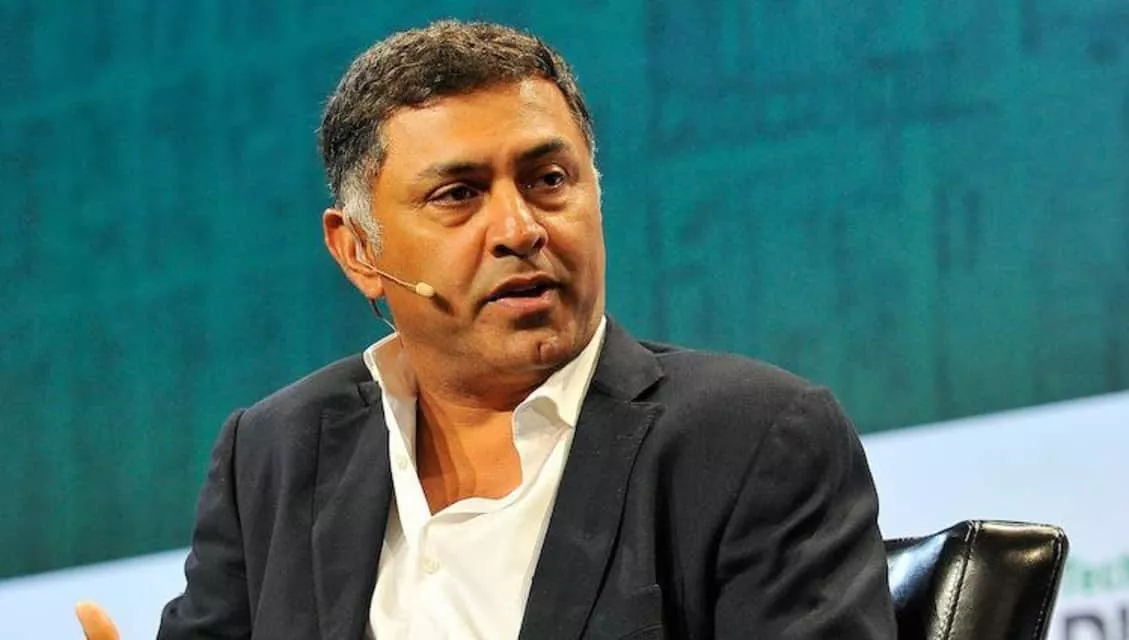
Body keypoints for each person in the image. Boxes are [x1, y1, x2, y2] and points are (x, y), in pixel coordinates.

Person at [78, 20, 896, 639]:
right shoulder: (274, 452)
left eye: (548, 179)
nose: (519, 228)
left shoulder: (749, 438)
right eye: (458, 195)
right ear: (358, 251)